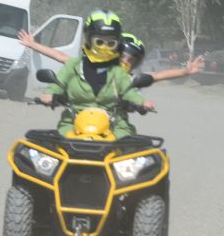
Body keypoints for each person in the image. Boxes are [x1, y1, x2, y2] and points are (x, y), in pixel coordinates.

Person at [39, 10, 154, 139]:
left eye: (110, 43)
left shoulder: (119, 72)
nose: (104, 47)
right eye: (99, 42)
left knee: (139, 154)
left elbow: (129, 92)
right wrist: (49, 95)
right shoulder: (72, 66)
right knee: (41, 152)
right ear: (88, 39)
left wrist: (141, 102)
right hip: (72, 124)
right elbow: (57, 85)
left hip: (115, 127)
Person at [19, 28, 204, 87]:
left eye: (130, 60)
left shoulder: (129, 80)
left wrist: (186, 71)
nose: (125, 62)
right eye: (122, 57)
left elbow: (158, 75)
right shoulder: (88, 68)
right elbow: (61, 56)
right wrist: (33, 44)